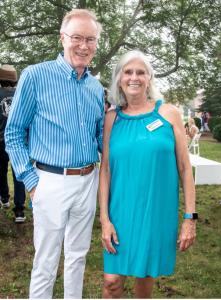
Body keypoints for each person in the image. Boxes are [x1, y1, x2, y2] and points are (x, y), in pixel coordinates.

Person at [5, 9, 104, 299]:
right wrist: (30, 181)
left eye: (90, 39)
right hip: (49, 180)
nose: (83, 46)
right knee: (46, 261)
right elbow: (14, 133)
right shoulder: (35, 76)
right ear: (62, 38)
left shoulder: (96, 88)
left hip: (88, 179)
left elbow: (100, 137)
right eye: (76, 37)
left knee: (78, 256)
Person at [99, 50, 197, 298]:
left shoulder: (169, 114)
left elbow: (185, 169)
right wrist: (104, 220)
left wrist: (189, 218)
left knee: (144, 282)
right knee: (111, 283)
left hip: (155, 212)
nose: (134, 77)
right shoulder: (112, 118)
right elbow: (106, 171)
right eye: (128, 72)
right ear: (119, 78)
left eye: (140, 72)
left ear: (149, 78)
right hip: (120, 212)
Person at [0, 65, 26, 223]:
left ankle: (4, 198)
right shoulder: (22, 95)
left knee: (1, 172)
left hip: (0, 141)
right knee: (19, 175)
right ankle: (19, 211)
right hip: (18, 141)